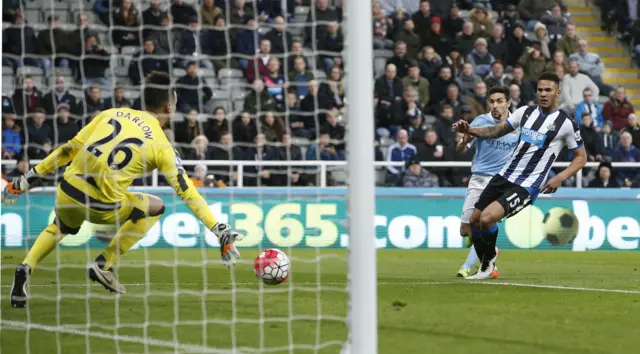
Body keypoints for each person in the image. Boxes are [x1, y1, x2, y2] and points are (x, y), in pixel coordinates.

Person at [3, 72, 243, 308]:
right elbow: (186, 191)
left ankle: (25, 268)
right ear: (169, 107)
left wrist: (25, 181)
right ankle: (104, 263)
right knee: (157, 207)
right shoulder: (162, 145)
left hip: (67, 191)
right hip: (103, 207)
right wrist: (219, 229)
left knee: (59, 226)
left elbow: (68, 150)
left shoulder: (110, 114)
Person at [453, 73, 587, 279]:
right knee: (474, 220)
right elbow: (496, 131)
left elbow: (581, 157)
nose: (543, 94)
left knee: (487, 218)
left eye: (548, 90)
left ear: (557, 93)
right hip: (504, 176)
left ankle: (486, 266)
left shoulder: (566, 123)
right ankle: (487, 262)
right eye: (540, 90)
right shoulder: (525, 113)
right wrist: (469, 130)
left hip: (526, 185)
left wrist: (560, 177)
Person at [454, 85, 519, 278]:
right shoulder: (481, 121)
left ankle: (470, 266)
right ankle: (492, 251)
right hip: (478, 179)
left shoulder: (518, 125)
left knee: (484, 221)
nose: (495, 105)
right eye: (492, 101)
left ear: (508, 102)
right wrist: (464, 140)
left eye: (500, 101)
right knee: (465, 230)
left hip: (500, 182)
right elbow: (460, 149)